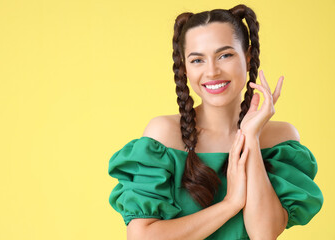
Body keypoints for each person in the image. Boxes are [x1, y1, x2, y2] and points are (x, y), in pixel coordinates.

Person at [108, 4, 323, 240]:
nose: (212, 72)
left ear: (248, 57)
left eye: (225, 55)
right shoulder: (165, 134)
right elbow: (141, 237)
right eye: (197, 60)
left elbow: (265, 234)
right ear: (185, 68)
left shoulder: (281, 138)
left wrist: (250, 138)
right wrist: (230, 203)